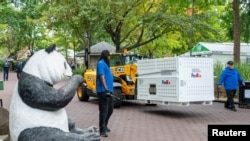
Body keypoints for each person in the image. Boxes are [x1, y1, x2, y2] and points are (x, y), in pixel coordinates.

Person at [96, 50, 114, 137]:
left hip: (108, 91)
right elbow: (101, 76)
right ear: (106, 56)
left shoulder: (105, 64)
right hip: (103, 91)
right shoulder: (101, 63)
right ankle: (102, 130)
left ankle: (105, 125)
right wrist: (106, 88)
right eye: (109, 56)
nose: (109, 57)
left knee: (110, 109)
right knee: (104, 110)